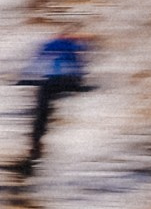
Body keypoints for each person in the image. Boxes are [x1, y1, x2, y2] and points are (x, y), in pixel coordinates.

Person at [14, 30, 92, 176]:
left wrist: (25, 77)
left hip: (53, 82)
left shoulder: (50, 43)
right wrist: (81, 80)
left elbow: (38, 61)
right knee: (43, 111)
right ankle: (37, 146)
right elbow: (82, 60)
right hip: (71, 80)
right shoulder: (74, 44)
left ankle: (36, 147)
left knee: (41, 113)